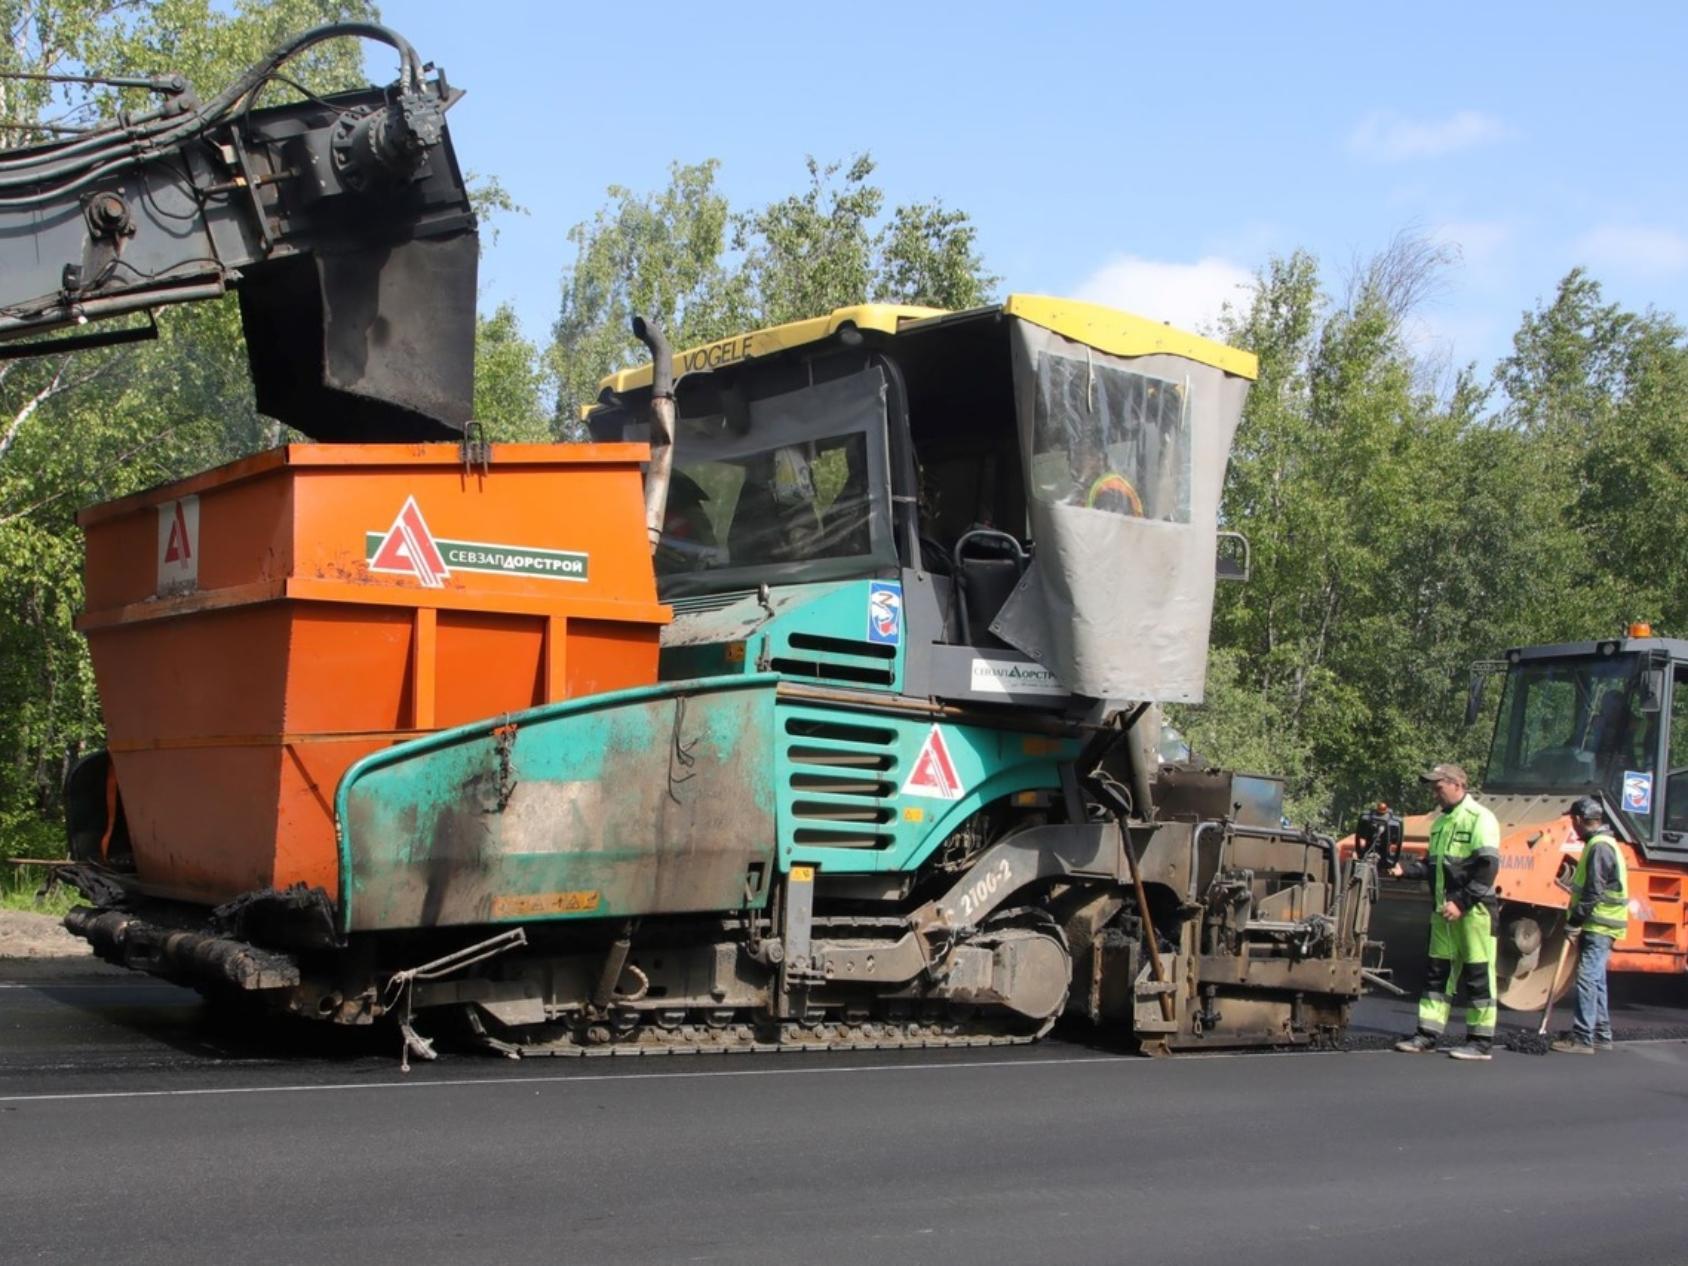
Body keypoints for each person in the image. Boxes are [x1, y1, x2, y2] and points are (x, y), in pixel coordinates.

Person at [1391, 762, 1503, 1060]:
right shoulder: (1440, 823)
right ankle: (1427, 1035)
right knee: (1437, 975)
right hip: (1443, 912)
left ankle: (1480, 1043)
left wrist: (1462, 903)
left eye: (1438, 787)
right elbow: (1434, 866)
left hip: (1474, 913)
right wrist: (1405, 869)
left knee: (1478, 974)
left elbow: (1487, 868)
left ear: (1456, 785)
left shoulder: (1480, 819)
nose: (1435, 794)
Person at [1552, 797, 1629, 1054]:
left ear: (1577, 819)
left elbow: (1594, 890)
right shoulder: (1604, 843)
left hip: (1600, 923)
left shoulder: (1599, 847)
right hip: (1603, 922)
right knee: (1597, 980)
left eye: (1572, 821)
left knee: (1586, 977)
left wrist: (1575, 921)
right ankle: (1601, 1034)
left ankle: (1584, 1038)